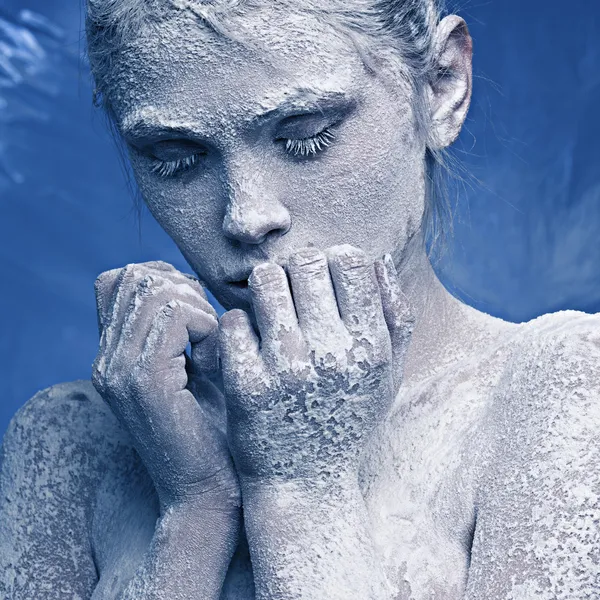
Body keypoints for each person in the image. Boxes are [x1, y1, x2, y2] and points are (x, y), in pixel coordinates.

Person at [1, 0, 598, 598]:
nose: (246, 216)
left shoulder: (563, 389)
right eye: (175, 159)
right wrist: (194, 511)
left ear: (442, 85)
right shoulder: (68, 443)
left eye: (307, 137)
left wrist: (302, 483)